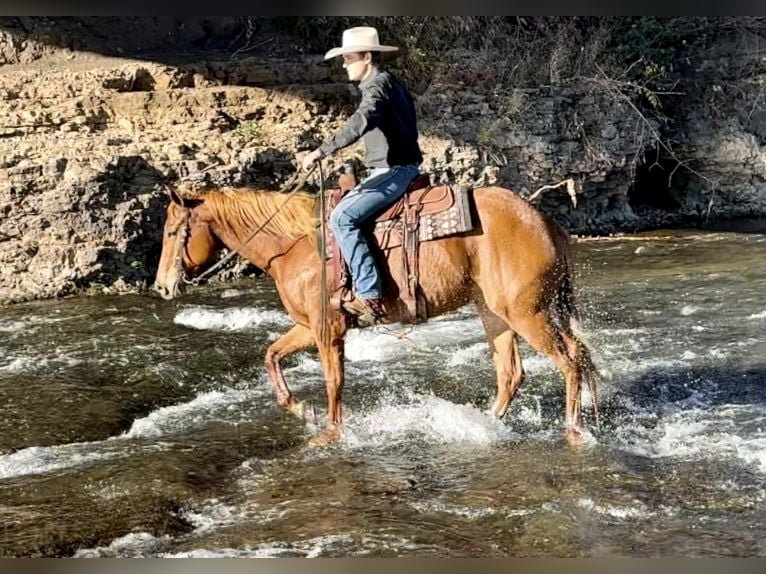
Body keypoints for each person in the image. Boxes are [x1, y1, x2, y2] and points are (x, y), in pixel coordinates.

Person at [301, 26, 423, 322]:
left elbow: (363, 119)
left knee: (341, 218)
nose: (344, 65)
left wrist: (322, 150)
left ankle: (369, 295)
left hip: (395, 171)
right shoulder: (390, 84)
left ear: (367, 57)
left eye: (349, 58)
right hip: (397, 167)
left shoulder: (377, 86)